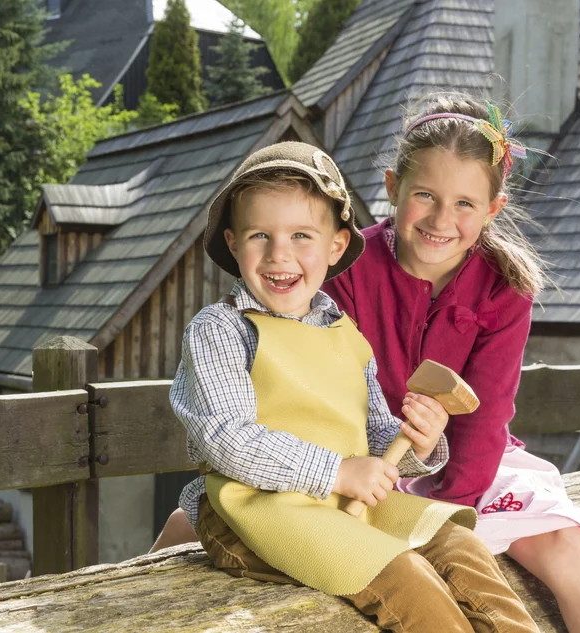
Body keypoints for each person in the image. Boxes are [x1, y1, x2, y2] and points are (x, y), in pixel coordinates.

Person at [151, 94, 580, 633]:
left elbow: (474, 417)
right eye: (425, 196)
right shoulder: (317, 285)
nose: (440, 219)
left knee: (524, 547)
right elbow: (244, 427)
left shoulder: (489, 291)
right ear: (392, 188)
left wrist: (431, 457)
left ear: (492, 209)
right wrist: (353, 474)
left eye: (464, 204)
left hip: (409, 463)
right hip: (319, 476)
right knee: (401, 574)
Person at [170, 140, 539, 632]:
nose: (280, 254)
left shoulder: (343, 330)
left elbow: (369, 432)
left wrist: (419, 446)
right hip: (254, 513)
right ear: (234, 244)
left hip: (339, 504)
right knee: (404, 577)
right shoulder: (222, 330)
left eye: (302, 235)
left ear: (336, 246)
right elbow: (228, 441)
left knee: (458, 546)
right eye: (261, 235)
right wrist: (338, 473)